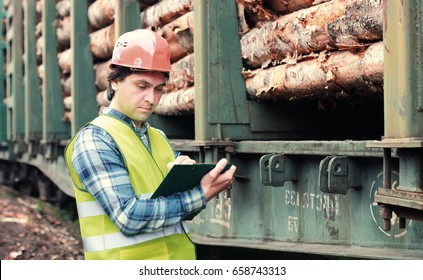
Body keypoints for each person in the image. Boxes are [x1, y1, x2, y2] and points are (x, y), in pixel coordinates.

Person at [65, 29, 236, 260]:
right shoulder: (95, 139)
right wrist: (201, 194)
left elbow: (174, 209)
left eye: (158, 89)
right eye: (141, 86)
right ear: (115, 81)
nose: (151, 99)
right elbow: (129, 217)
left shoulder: (158, 138)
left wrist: (189, 180)